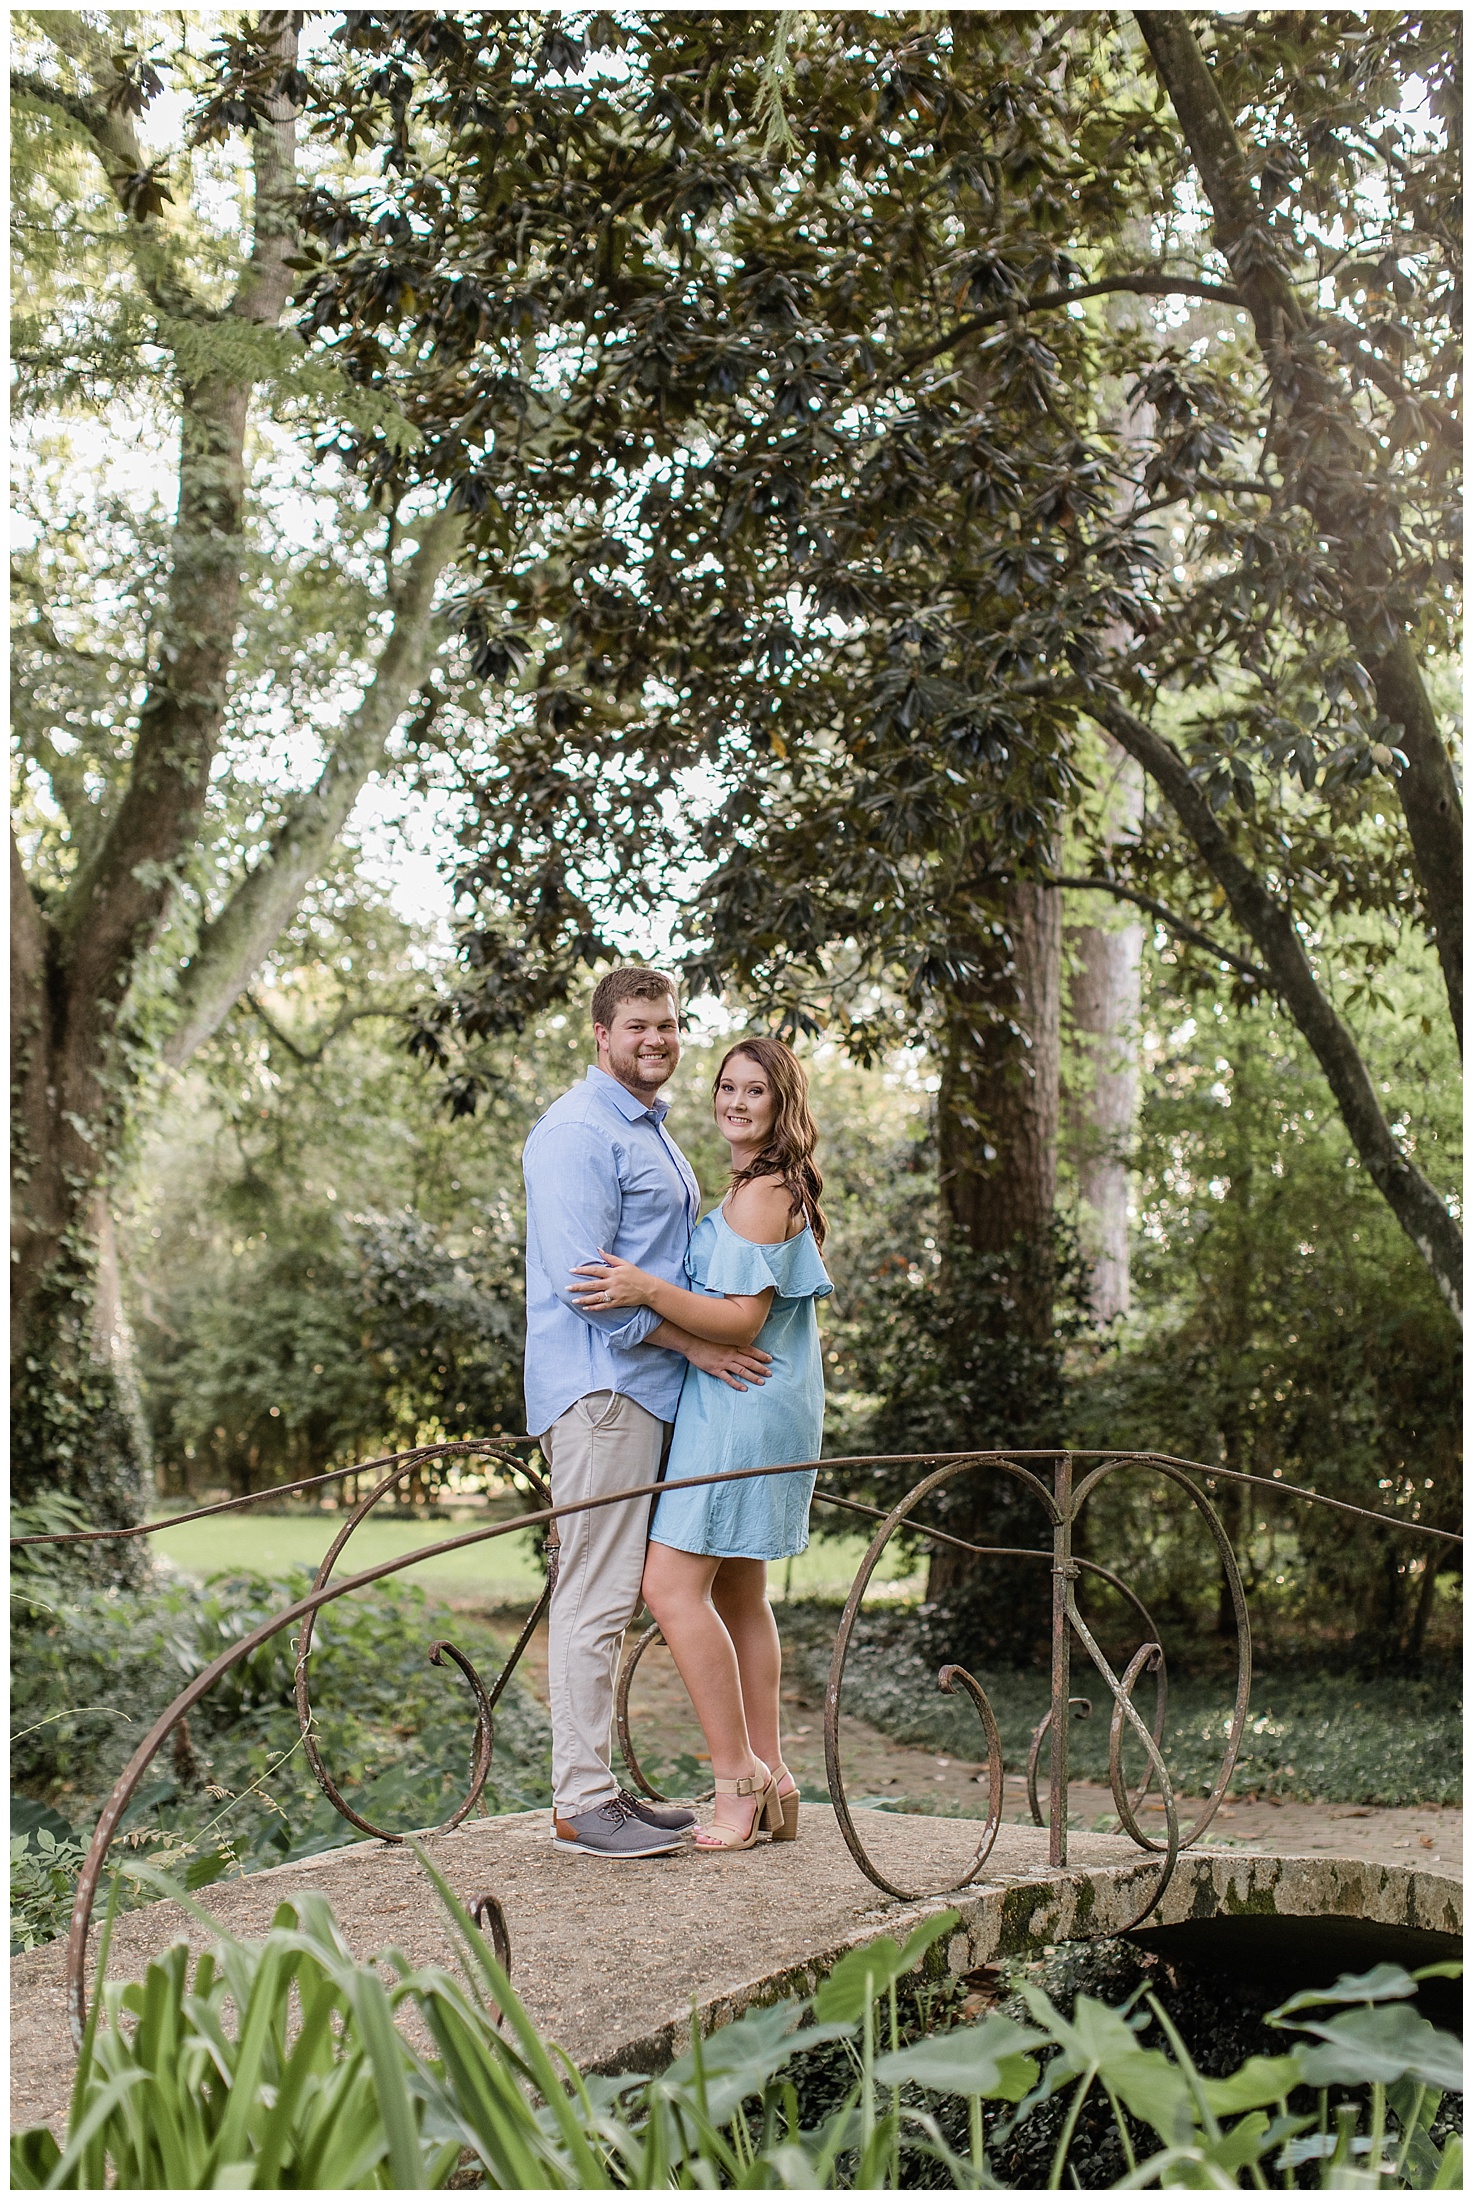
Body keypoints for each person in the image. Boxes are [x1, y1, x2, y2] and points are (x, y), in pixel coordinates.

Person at [522, 967, 773, 1860]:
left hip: (646, 1395)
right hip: (602, 1393)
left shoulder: (647, 1129)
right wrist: (694, 1345)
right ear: (600, 1034)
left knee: (617, 1592)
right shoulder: (576, 1133)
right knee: (592, 1593)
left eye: (667, 1026)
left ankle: (607, 1794)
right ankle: (581, 1805)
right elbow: (586, 1287)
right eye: (637, 1027)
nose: (656, 1040)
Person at [569, 1036, 832, 1852]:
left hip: (739, 1402)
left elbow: (741, 1319)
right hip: (761, 1399)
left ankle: (737, 1780)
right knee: (739, 1594)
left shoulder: (762, 1194)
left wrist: (645, 1287)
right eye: (725, 1086)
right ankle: (775, 1776)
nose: (735, 1101)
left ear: (781, 1102)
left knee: (669, 1589)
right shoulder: (764, 1185)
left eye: (754, 1090)